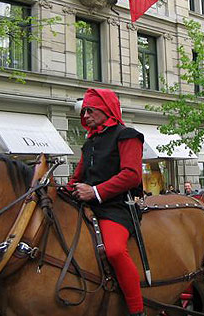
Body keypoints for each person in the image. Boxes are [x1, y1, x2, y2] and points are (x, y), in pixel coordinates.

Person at [66, 88, 145, 316]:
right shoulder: (90, 140)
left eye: (90, 110)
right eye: (84, 112)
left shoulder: (127, 134)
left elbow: (132, 175)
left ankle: (137, 310)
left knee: (114, 251)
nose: (86, 116)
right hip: (87, 206)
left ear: (105, 109)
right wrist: (65, 189)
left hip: (116, 208)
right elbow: (78, 176)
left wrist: (95, 191)